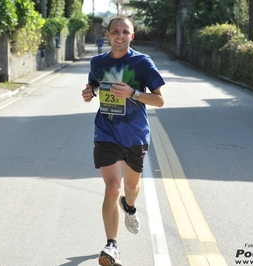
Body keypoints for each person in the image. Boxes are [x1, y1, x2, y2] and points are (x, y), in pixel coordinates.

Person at [82, 15, 165, 266]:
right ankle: (111, 246)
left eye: (125, 32)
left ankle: (129, 207)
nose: (120, 36)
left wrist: (133, 93)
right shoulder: (98, 62)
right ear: (107, 35)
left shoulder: (142, 62)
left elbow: (159, 100)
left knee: (130, 189)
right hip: (106, 132)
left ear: (132, 36)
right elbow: (94, 84)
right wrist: (90, 92)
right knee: (111, 187)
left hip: (135, 134)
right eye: (115, 31)